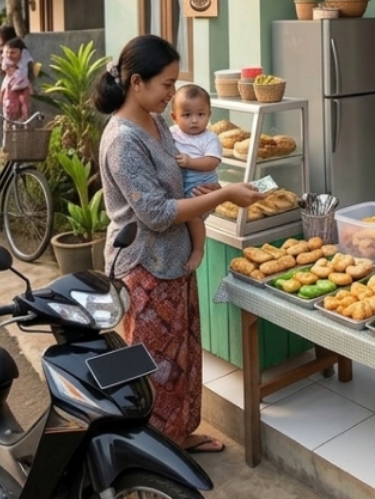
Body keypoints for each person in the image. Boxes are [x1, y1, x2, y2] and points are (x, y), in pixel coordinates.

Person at [94, 35, 263, 454]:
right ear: (137, 82)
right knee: (150, 364)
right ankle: (153, 450)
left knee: (183, 354)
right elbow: (155, 213)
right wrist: (222, 196)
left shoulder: (156, 124)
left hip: (174, 258)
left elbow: (176, 189)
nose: (172, 94)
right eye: (167, 85)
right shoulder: (122, 139)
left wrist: (204, 189)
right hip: (143, 266)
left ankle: (180, 434)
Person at [170, 84, 224, 271]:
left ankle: (198, 249)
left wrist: (190, 162)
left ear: (209, 115)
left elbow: (212, 161)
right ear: (174, 117)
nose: (194, 121)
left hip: (200, 186)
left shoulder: (209, 138)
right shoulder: (171, 133)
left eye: (200, 115)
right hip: (182, 186)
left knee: (192, 217)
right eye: (186, 115)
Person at [0, 38, 33, 122]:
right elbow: (4, 68)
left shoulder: (24, 59)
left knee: (24, 101)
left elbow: (24, 74)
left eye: (13, 52)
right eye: (8, 52)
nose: (10, 55)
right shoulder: (7, 61)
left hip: (22, 84)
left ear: (21, 52)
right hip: (10, 84)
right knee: (7, 100)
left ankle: (24, 118)